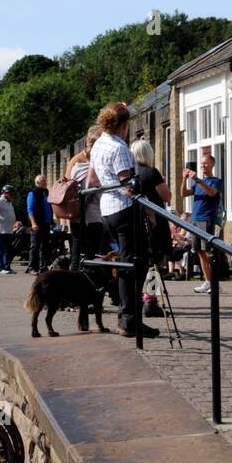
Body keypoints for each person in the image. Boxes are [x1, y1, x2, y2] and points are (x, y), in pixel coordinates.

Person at [90, 101, 159, 338]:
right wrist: (149, 211)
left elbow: (95, 179)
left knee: (127, 263)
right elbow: (127, 185)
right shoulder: (119, 147)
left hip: (107, 209)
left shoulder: (99, 144)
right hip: (124, 210)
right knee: (135, 265)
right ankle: (129, 320)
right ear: (124, 124)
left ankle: (128, 316)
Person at [130, 139, 172, 319]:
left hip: (135, 221)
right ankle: (150, 299)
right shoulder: (151, 172)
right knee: (154, 261)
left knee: (139, 259)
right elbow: (167, 195)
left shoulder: (131, 174)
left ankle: (137, 297)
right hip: (155, 222)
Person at [182, 153, 223, 295]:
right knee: (199, 252)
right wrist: (184, 179)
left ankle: (215, 283)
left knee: (209, 251)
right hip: (195, 219)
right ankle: (208, 282)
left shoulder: (215, 181)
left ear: (212, 164)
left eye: (205, 163)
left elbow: (212, 193)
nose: (202, 166)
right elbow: (183, 194)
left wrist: (198, 180)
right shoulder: (197, 183)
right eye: (201, 163)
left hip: (207, 219)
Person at [66, 126, 105, 271]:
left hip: (76, 214)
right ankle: (86, 283)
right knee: (91, 253)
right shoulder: (94, 164)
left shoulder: (74, 162)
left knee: (77, 250)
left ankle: (75, 280)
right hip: (92, 215)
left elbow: (67, 184)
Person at [25, 174, 54, 274]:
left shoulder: (46, 192)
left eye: (45, 180)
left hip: (46, 224)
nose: (45, 182)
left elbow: (49, 207)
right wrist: (33, 223)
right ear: (38, 183)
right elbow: (30, 209)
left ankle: (43, 267)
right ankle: (32, 267)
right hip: (37, 224)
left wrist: (51, 221)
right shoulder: (32, 193)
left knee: (45, 246)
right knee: (35, 247)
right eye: (43, 181)